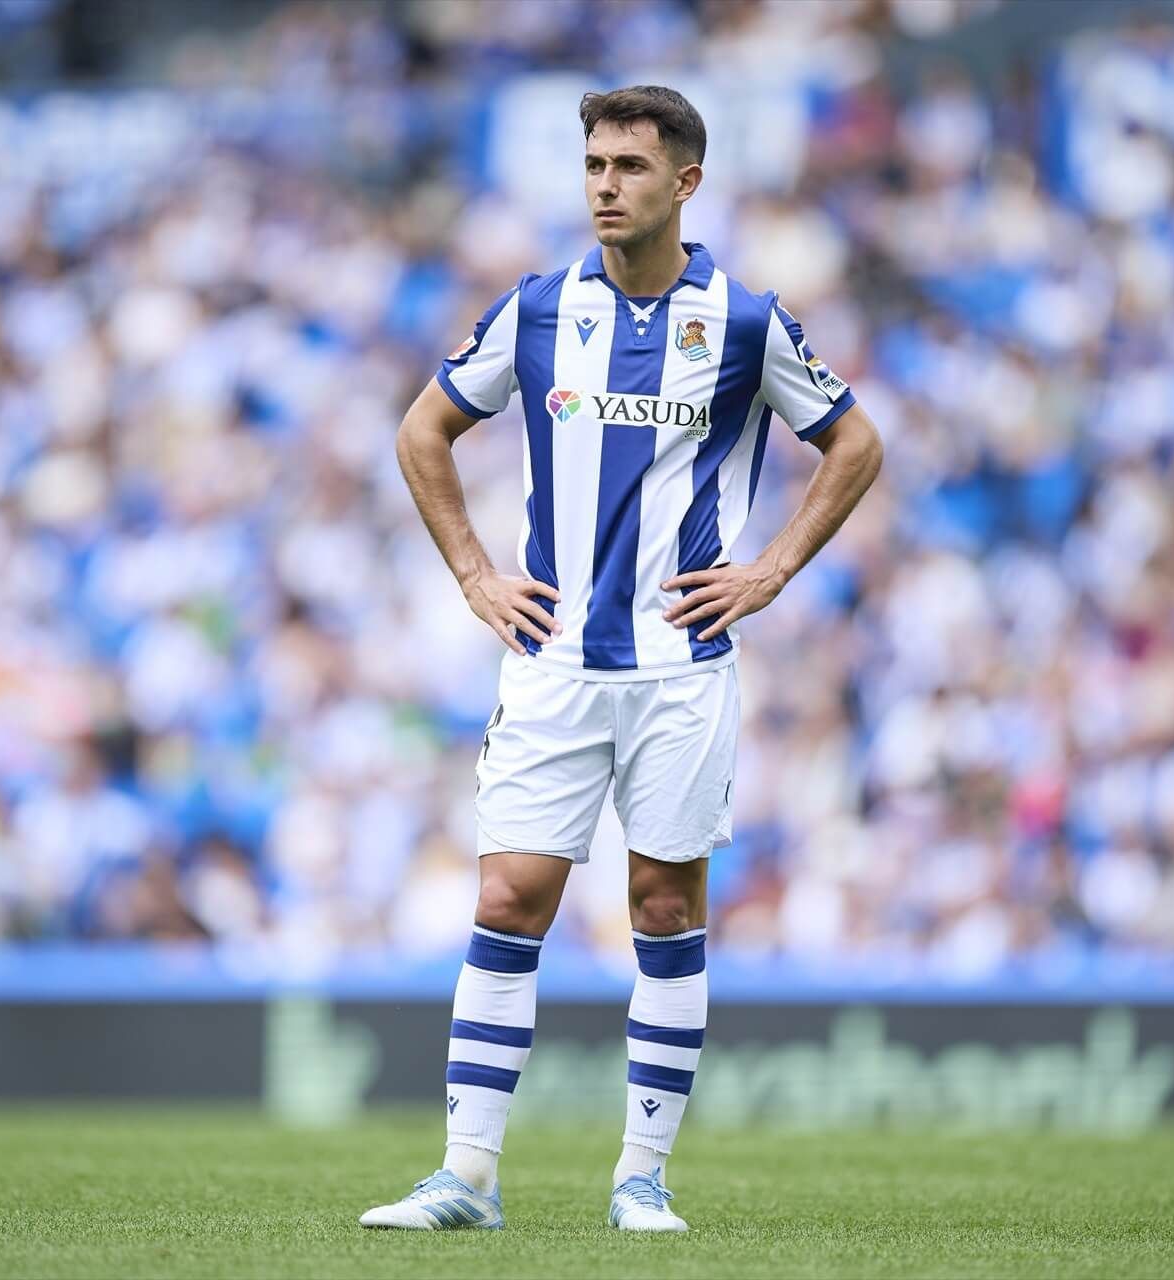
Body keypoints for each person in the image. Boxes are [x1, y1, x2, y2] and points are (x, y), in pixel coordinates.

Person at [362, 85, 883, 1233]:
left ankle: (641, 1174)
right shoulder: (540, 308)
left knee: (662, 904)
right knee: (509, 893)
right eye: (594, 164)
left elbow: (854, 440)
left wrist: (772, 569)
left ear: (685, 183)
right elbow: (422, 429)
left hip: (682, 665)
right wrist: (472, 574)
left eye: (630, 168)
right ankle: (468, 1174)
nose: (605, 185)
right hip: (552, 659)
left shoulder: (744, 321)